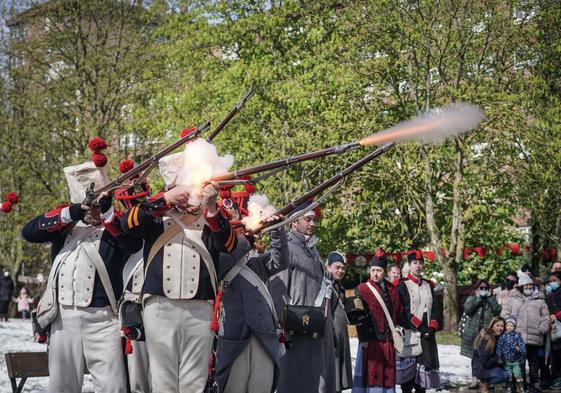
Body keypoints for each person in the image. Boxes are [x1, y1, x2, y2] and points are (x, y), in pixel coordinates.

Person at [22, 154, 143, 393]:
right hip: (62, 318)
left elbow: (134, 246)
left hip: (103, 318)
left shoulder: (115, 225)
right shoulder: (64, 227)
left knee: (113, 386)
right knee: (62, 386)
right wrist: (73, 212)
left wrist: (107, 215)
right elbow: (29, 232)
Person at [120, 151, 237, 393]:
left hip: (201, 308)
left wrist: (212, 206)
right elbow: (127, 224)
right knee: (163, 381)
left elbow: (229, 245)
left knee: (194, 383)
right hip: (160, 306)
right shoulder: (153, 213)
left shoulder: (211, 214)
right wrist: (166, 198)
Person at [214, 194, 289, 393]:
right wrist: (246, 240)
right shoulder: (217, 257)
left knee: (261, 386)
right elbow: (220, 266)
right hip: (232, 334)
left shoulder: (256, 261)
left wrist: (276, 229)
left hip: (263, 332)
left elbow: (280, 261)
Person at [271, 203, 336, 393]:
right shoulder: (287, 250)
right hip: (294, 330)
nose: (312, 223)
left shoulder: (314, 250)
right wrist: (279, 325)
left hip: (316, 327)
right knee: (292, 381)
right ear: (293, 223)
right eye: (307, 219)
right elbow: (278, 289)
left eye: (313, 219)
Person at [352, 252, 402, 393]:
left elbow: (397, 312)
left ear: (384, 272)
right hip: (371, 340)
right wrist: (363, 339)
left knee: (387, 375)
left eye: (378, 270)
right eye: (373, 270)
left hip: (388, 341)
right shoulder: (362, 289)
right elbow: (359, 316)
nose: (375, 273)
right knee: (371, 375)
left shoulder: (392, 289)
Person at [397, 249, 442, 393]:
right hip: (411, 331)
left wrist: (432, 327)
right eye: (414, 263)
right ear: (409, 265)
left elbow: (435, 307)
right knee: (408, 379)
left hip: (427, 332)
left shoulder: (428, 284)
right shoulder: (402, 284)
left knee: (422, 380)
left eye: (420, 263)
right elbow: (402, 310)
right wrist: (420, 327)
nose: (418, 266)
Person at [502, 273, 551, 393]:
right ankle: (520, 384)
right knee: (519, 363)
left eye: (531, 286)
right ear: (521, 287)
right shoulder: (513, 299)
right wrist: (510, 327)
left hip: (535, 337)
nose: (528, 288)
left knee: (534, 363)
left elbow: (546, 317)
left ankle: (534, 384)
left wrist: (542, 328)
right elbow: (505, 314)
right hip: (517, 338)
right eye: (526, 286)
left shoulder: (540, 300)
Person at [460, 279, 502, 388]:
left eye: (485, 288)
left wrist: (491, 299)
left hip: (487, 334)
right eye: (481, 288)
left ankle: (488, 379)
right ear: (476, 289)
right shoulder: (472, 298)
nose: (483, 290)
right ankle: (474, 378)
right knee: (475, 357)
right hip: (474, 333)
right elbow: (468, 310)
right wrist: (478, 298)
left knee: (487, 356)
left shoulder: (492, 300)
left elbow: (497, 311)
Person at [326, 251, 352, 393]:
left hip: (341, 337)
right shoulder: (325, 286)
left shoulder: (338, 285)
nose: (341, 271)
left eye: (343, 268)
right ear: (328, 267)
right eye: (337, 267)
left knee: (338, 381)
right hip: (331, 337)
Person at [472, 316, 510, 393]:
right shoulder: (486, 338)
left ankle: (487, 383)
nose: (500, 328)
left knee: (512, 371)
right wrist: (501, 358)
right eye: (497, 325)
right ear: (492, 326)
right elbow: (485, 362)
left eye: (502, 326)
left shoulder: (501, 338)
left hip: (492, 365)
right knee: (504, 375)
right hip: (481, 368)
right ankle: (485, 382)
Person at [496, 316, 526, 393]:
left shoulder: (517, 335)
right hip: (506, 360)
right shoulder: (503, 337)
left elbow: (522, 345)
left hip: (516, 360)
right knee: (508, 375)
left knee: (518, 374)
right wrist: (499, 357)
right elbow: (499, 347)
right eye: (508, 325)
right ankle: (508, 387)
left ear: (514, 327)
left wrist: (522, 354)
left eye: (512, 326)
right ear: (506, 326)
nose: (509, 327)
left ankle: (521, 387)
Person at [545, 272, 561, 389]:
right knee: (555, 355)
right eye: (550, 281)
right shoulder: (550, 295)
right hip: (554, 329)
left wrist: (556, 315)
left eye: (554, 280)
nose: (552, 283)